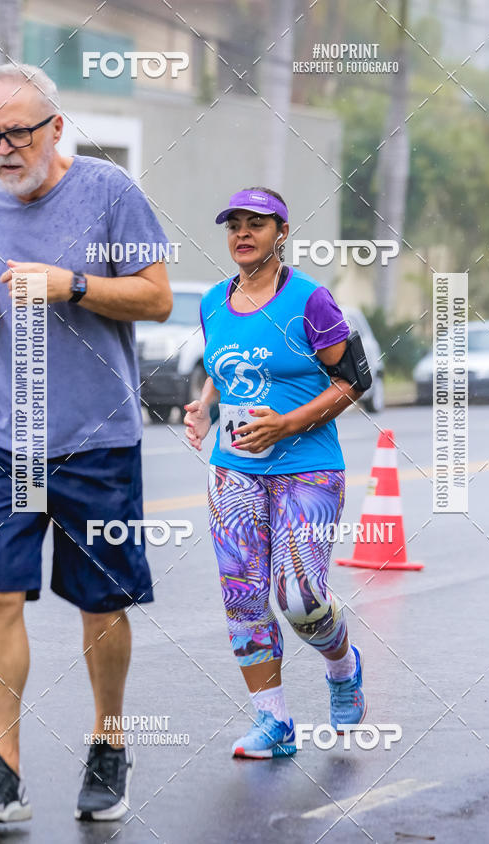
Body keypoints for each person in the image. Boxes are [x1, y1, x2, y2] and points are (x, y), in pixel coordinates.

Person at [0, 63, 172, 823]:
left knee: (100, 602)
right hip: (5, 439)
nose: (2, 149)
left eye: (17, 132)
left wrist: (71, 284)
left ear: (56, 128)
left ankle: (109, 745)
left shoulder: (110, 192)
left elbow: (157, 297)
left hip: (95, 440)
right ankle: (3, 773)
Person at [184, 187, 367, 758]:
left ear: (281, 233)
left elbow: (353, 381)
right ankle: (273, 720)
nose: (242, 232)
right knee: (242, 595)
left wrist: (286, 425)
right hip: (234, 469)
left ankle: (342, 665)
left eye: (256, 223)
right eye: (234, 223)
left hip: (307, 467)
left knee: (300, 597)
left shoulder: (311, 300)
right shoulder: (212, 301)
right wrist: (205, 406)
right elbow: (223, 367)